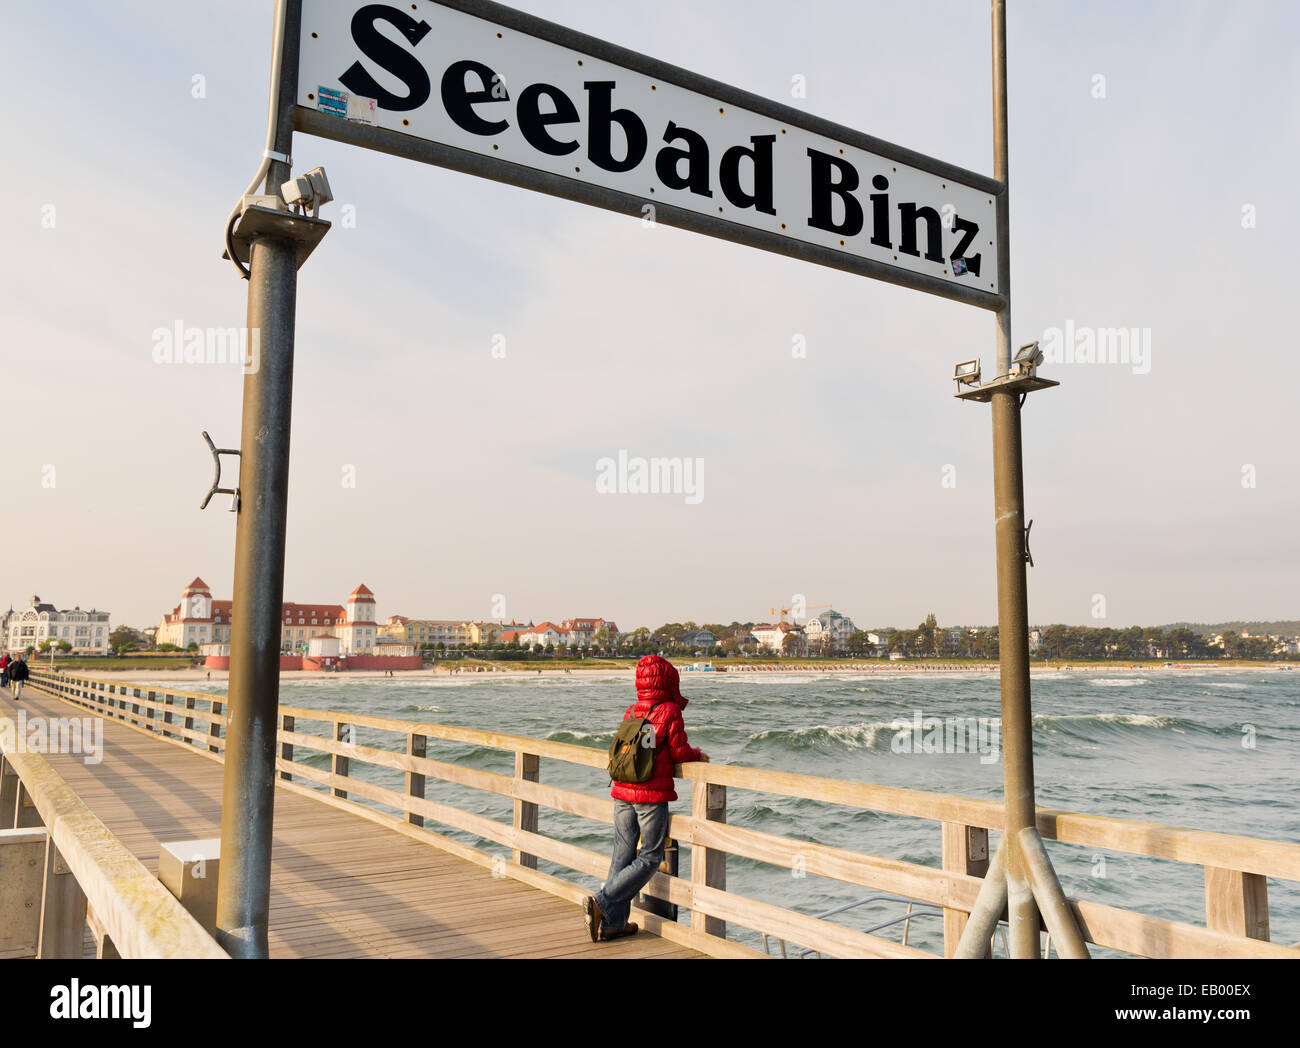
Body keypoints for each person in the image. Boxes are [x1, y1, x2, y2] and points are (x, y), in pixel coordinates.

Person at [584, 654, 709, 943]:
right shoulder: (669, 711)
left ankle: (613, 924)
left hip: (622, 790)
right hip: (650, 794)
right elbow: (678, 751)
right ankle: (602, 902)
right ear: (668, 680)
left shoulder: (633, 710)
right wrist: (697, 755)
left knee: (622, 855)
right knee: (650, 857)